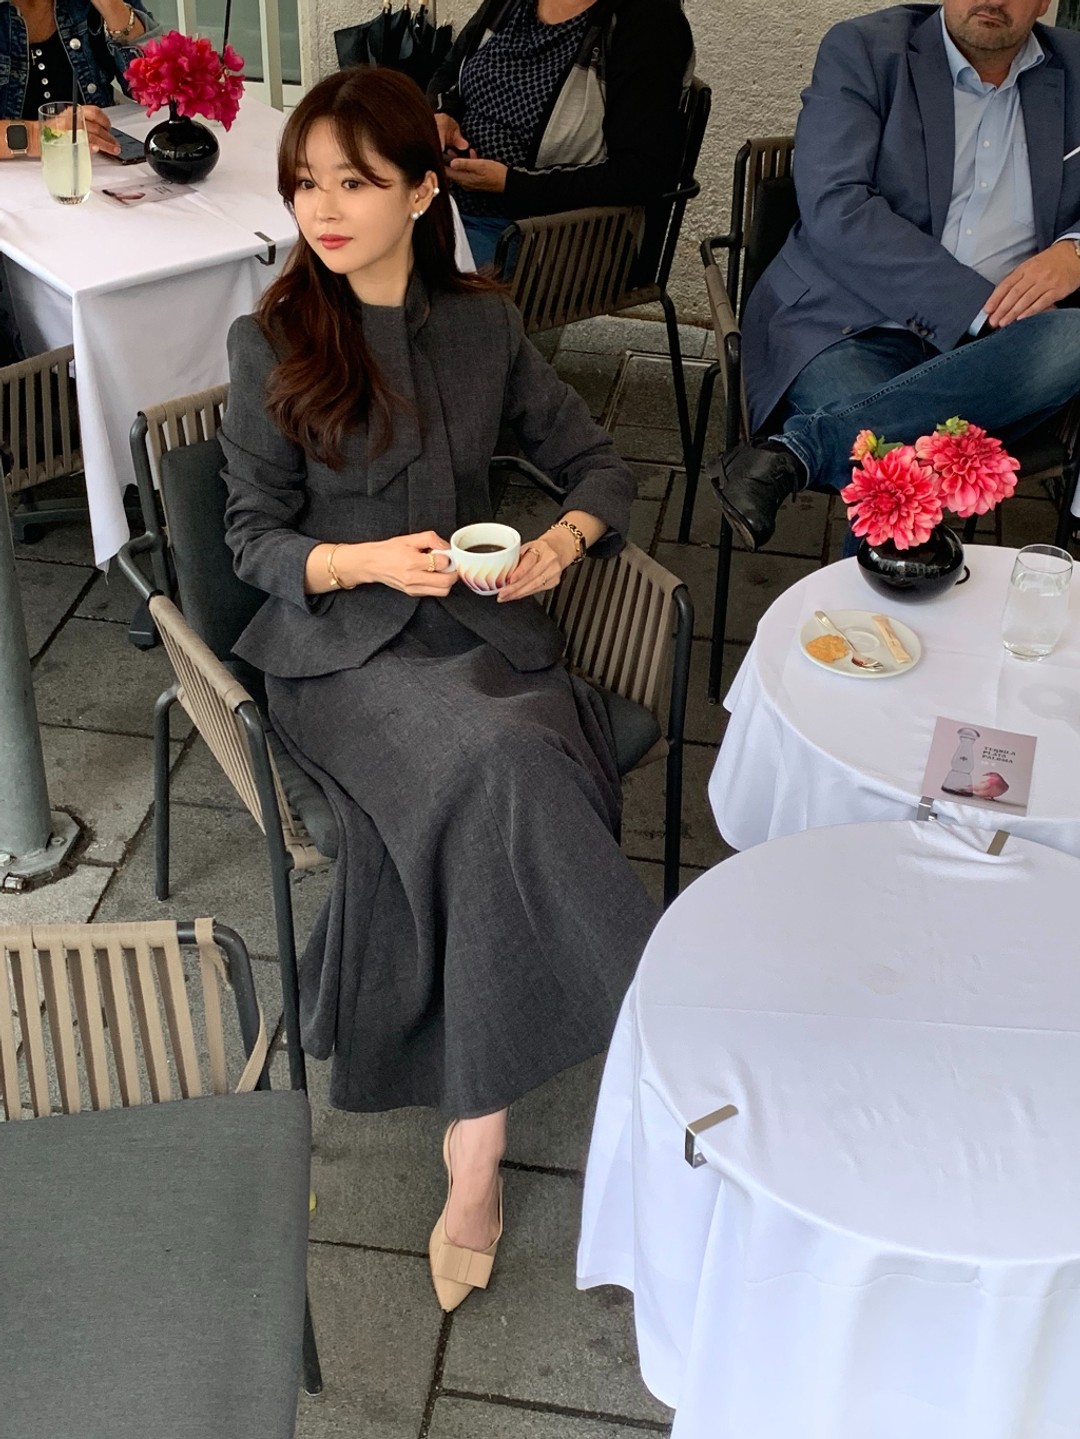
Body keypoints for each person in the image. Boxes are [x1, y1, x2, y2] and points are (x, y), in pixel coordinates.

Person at [219, 66, 659, 1313]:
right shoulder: (270, 341)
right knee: (502, 763)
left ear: (423, 191)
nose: (323, 208)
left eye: (354, 182)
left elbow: (597, 464)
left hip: (480, 631)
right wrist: (359, 558)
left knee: (495, 774)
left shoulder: (483, 328)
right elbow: (251, 537)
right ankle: (643, 1038)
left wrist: (561, 543)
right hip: (337, 654)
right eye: (306, 182)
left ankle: (481, 1121)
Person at [711, 0, 1080, 553]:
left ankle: (802, 451)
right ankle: (891, 599)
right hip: (846, 324)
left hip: (1006, 348)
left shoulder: (1075, 67)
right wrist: (976, 309)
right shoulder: (865, 50)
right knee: (894, 469)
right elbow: (837, 207)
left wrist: (1075, 251)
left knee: (1074, 339)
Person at [426, 0, 695, 268]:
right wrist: (443, 114)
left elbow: (641, 173)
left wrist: (512, 184)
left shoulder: (648, 22)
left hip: (547, 237)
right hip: (449, 205)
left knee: (417, 273)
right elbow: (448, 73)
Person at [0, 0, 157, 159]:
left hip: (101, 158)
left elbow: (162, 92)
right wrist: (39, 136)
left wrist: (113, 8)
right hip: (17, 168)